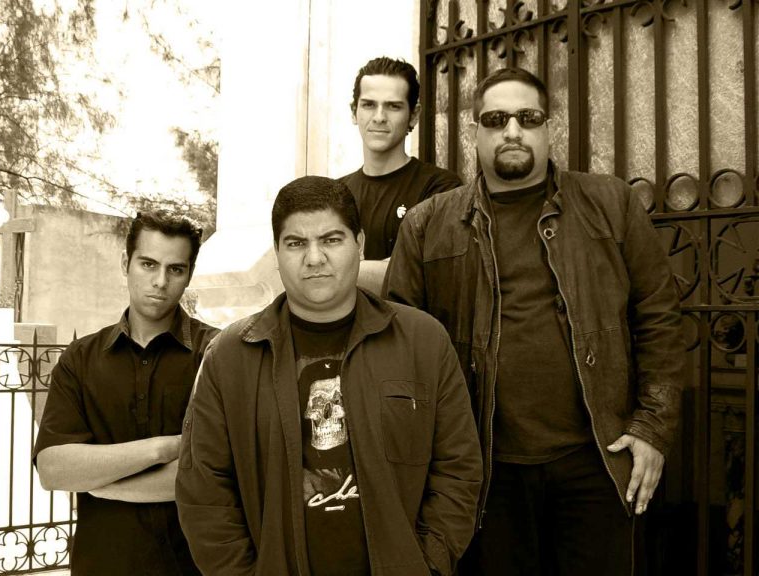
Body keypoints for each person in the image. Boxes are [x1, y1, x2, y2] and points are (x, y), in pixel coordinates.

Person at [384, 68, 685, 575]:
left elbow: (659, 317)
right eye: (496, 119)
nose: (512, 130)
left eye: (528, 117)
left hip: (597, 458)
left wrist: (652, 428)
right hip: (485, 470)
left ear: (549, 127)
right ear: (474, 132)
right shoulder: (428, 224)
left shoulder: (611, 204)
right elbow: (401, 354)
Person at [176, 176, 482, 575]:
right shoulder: (230, 357)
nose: (314, 258)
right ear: (277, 253)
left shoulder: (423, 342)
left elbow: (458, 468)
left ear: (360, 244)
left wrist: (426, 564)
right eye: (296, 243)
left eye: (331, 240)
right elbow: (203, 490)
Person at [34, 210, 218, 576]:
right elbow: (54, 470)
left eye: (175, 269)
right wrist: (163, 448)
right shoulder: (80, 359)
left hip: (192, 568)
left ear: (189, 274)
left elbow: (216, 473)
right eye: (148, 264)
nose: (160, 281)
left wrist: (101, 481)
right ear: (125, 262)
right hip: (101, 565)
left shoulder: (217, 354)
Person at [340, 56, 462, 292]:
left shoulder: (441, 189)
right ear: (354, 112)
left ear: (414, 115)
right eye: (368, 105)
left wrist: (331, 271)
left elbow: (419, 274)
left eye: (393, 106)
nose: (379, 117)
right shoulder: (336, 192)